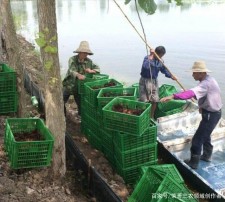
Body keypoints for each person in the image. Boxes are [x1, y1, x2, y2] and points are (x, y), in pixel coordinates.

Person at [160, 61, 222, 169]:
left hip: (211, 115)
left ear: (201, 73)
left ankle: (193, 163)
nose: (192, 75)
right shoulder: (210, 79)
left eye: (194, 73)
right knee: (206, 136)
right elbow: (210, 96)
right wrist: (202, 106)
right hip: (213, 112)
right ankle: (207, 156)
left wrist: (172, 96)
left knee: (197, 140)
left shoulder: (205, 83)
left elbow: (191, 93)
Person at [62, 41, 100, 117]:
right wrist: (78, 75)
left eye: (86, 53)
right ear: (79, 52)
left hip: (79, 88)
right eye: (83, 52)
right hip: (69, 85)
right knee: (61, 101)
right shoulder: (72, 59)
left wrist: (91, 70)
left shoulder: (89, 61)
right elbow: (72, 70)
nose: (85, 54)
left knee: (80, 103)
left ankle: (80, 116)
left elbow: (97, 68)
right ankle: (63, 116)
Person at [139, 46, 177, 119]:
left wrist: (171, 76)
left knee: (155, 100)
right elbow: (146, 66)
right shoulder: (147, 58)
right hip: (145, 80)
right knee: (143, 99)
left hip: (154, 81)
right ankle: (142, 116)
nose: (161, 57)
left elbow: (164, 70)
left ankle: (151, 116)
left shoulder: (160, 61)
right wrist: (151, 55)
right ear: (156, 53)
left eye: (162, 55)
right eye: (160, 55)